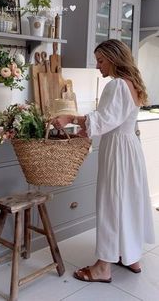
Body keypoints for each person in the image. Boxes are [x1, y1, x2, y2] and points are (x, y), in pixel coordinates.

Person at [53, 39, 155, 283]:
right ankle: (130, 256)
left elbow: (104, 119)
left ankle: (103, 267)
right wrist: (87, 127)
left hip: (118, 152)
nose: (98, 66)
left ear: (114, 59)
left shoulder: (117, 85)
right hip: (130, 148)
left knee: (111, 204)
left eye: (101, 60)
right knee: (128, 202)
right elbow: (113, 119)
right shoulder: (132, 84)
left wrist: (70, 118)